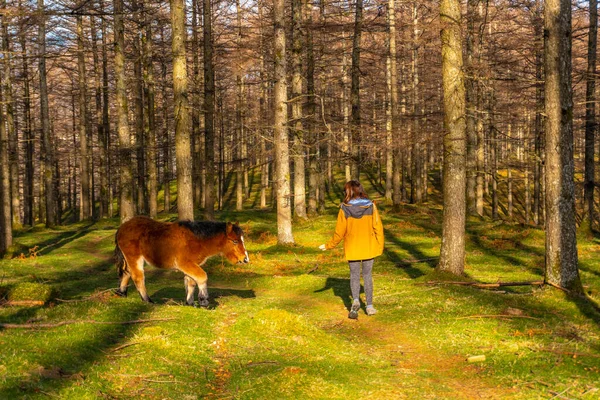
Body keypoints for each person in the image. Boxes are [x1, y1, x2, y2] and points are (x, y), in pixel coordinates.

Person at [319, 180, 384, 319]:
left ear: (348, 191)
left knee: (354, 275)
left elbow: (339, 232)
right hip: (368, 246)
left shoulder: (344, 208)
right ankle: (370, 306)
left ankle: (355, 300)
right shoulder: (371, 206)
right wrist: (379, 247)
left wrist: (329, 245)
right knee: (367, 276)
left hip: (352, 247)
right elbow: (378, 227)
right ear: (360, 189)